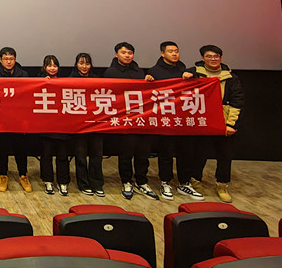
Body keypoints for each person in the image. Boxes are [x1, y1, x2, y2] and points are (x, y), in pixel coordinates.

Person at [148, 41, 203, 200]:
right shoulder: (154, 71)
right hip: (165, 119)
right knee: (165, 152)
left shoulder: (185, 70)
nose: (174, 54)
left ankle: (184, 183)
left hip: (184, 119)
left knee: (186, 152)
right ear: (162, 53)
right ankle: (165, 182)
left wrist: (192, 75)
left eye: (176, 51)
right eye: (170, 51)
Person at [104, 41, 158, 200]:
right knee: (126, 153)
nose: (127, 56)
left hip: (141, 119)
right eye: (124, 53)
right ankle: (126, 181)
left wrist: (148, 80)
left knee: (143, 153)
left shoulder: (139, 71)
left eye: (130, 53)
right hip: (124, 119)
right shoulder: (111, 72)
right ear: (116, 54)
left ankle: (142, 181)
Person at [192, 45, 243, 202]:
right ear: (203, 58)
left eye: (216, 56)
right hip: (202, 121)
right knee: (199, 152)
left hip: (223, 121)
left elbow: (237, 101)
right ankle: (195, 180)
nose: (213, 59)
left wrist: (231, 124)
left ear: (220, 58)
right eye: (209, 56)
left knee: (225, 155)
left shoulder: (231, 78)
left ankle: (222, 185)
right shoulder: (194, 74)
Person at [0, 47, 32, 193]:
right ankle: (3, 175)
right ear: (1, 60)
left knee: (21, 149)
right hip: (2, 120)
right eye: (6, 59)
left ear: (15, 59)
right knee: (2, 149)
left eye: (11, 59)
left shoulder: (24, 75)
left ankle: (23, 175)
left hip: (19, 120)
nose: (8, 62)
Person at [71, 52, 105, 196]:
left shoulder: (98, 81)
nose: (84, 66)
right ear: (76, 64)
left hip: (96, 124)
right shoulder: (69, 81)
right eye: (81, 63)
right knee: (81, 156)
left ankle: (97, 184)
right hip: (79, 126)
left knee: (97, 155)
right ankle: (83, 184)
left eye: (87, 63)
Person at [37, 55, 71, 196]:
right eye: (49, 65)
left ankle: (63, 182)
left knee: (63, 156)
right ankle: (48, 181)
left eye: (55, 65)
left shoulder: (66, 83)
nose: (52, 68)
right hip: (45, 127)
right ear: (44, 67)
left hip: (62, 126)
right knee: (46, 155)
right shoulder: (38, 82)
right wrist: (43, 83)